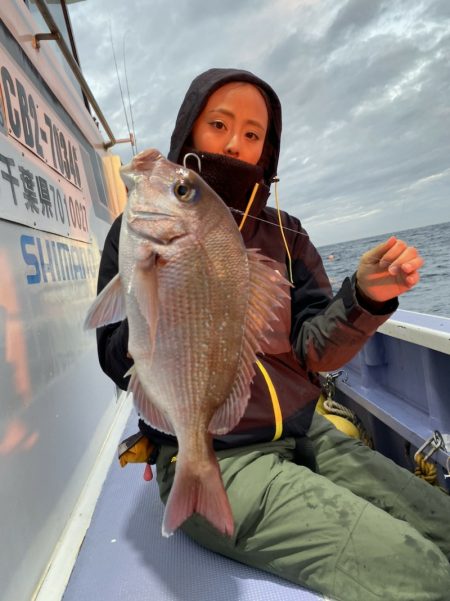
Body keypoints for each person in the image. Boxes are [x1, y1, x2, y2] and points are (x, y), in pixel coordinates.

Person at [96, 68, 450, 601]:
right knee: (421, 574)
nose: (235, 142)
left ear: (267, 151)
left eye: (254, 134)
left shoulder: (287, 234)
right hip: (222, 459)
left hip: (307, 431)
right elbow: (112, 356)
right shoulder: (135, 234)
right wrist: (161, 301)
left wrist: (367, 297)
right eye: (218, 124)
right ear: (189, 131)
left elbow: (313, 351)